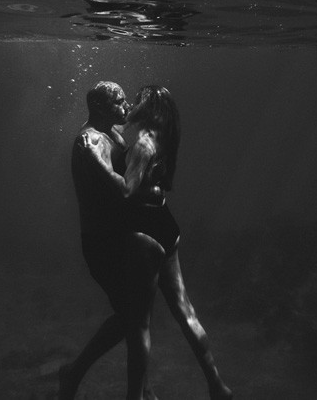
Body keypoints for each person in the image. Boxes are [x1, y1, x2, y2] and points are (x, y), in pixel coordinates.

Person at [60, 82, 233, 400]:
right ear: (100, 107)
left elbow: (131, 183)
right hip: (101, 241)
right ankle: (109, 383)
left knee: (132, 318)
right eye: (119, 101)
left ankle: (83, 377)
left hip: (123, 236)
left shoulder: (117, 135)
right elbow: (123, 189)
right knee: (135, 318)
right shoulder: (91, 140)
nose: (126, 106)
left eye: (129, 100)